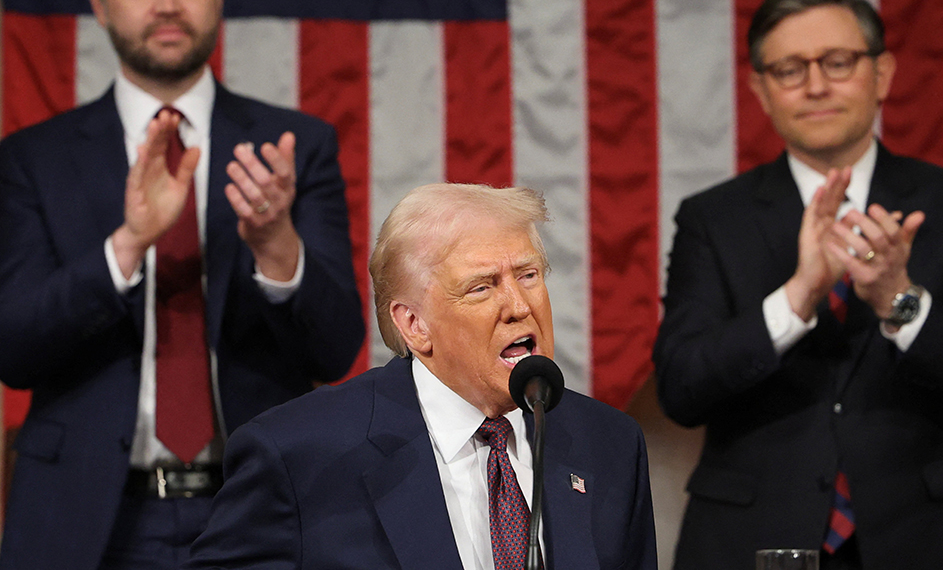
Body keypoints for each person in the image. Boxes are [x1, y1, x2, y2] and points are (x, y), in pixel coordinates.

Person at [0, 0, 364, 570]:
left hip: (258, 510)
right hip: (83, 522)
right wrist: (127, 245)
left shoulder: (293, 148)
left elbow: (338, 348)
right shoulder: (33, 158)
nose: (167, 4)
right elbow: (12, 346)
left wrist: (277, 247)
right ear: (100, 2)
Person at [653, 0, 943, 570]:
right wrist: (796, 298)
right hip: (757, 539)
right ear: (761, 90)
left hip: (933, 538)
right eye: (789, 69)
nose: (815, 85)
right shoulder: (714, 218)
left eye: (837, 62)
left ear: (882, 74)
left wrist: (900, 299)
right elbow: (682, 389)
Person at [185, 183, 657, 570]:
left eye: (529, 275)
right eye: (482, 287)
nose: (519, 306)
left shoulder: (609, 443)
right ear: (415, 325)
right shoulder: (298, 455)